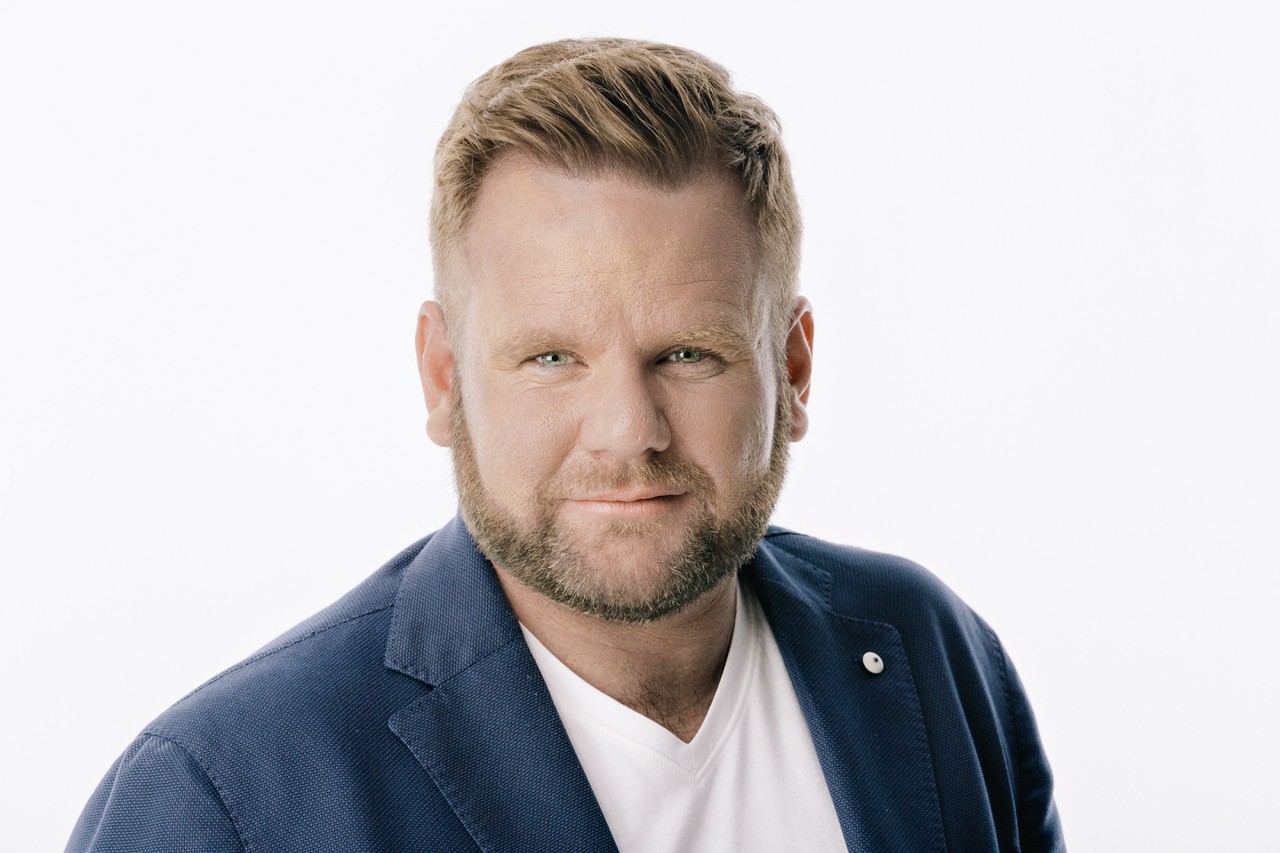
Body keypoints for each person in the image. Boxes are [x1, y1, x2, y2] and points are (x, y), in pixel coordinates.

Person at [67, 38, 1064, 852]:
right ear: (444, 378)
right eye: (550, 357)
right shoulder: (224, 801)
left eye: (688, 352)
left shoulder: (931, 654)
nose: (628, 430)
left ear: (792, 370)